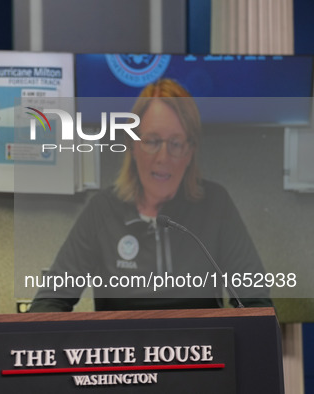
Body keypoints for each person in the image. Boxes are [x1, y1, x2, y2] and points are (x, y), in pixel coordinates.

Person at [29, 78, 272, 312]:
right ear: (132, 146)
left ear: (190, 152)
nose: (163, 157)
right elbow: (50, 301)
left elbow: (255, 300)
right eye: (152, 141)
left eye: (176, 143)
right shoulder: (102, 211)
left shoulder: (216, 205)